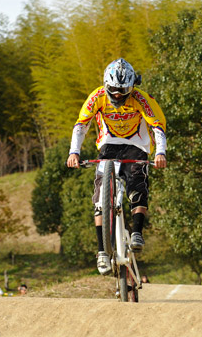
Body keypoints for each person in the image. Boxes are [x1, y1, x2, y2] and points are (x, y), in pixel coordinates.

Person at [66, 58, 167, 275]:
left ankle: (137, 232)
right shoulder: (97, 97)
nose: (118, 95)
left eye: (123, 90)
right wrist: (74, 152)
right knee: (100, 193)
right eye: (113, 90)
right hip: (108, 143)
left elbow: (158, 126)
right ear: (105, 85)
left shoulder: (142, 99)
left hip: (136, 144)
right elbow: (81, 125)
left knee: (137, 183)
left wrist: (160, 152)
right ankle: (102, 251)